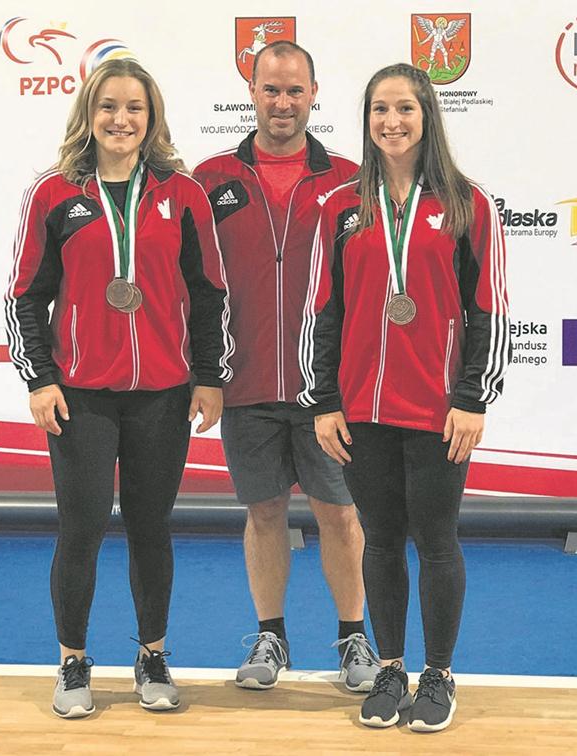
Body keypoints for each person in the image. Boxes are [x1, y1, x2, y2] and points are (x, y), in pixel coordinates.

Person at [4, 58, 234, 718]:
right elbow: (26, 295)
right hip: (80, 394)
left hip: (163, 392)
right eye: (108, 106)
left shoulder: (182, 194)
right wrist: (40, 379)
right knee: (80, 530)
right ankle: (72, 661)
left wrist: (211, 377)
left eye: (134, 107)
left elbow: (209, 293)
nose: (121, 119)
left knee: (149, 528)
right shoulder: (53, 194)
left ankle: (152, 655)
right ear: (89, 113)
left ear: (151, 117)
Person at [299, 63, 510, 732]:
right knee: (382, 540)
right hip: (360, 412)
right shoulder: (340, 207)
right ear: (366, 121)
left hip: (437, 411)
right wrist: (323, 401)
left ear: (427, 118)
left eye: (405, 109)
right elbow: (321, 312)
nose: (391, 121)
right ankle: (391, 669)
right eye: (379, 109)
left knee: (437, 540)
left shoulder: (469, 204)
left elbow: (489, 312)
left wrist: (473, 399)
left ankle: (439, 675)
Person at [192, 41, 379, 692]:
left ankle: (354, 639)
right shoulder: (209, 178)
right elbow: (193, 284)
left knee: (339, 514)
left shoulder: (353, 180)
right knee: (265, 513)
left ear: (314, 93)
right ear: (251, 90)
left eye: (294, 90)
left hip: (327, 391)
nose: (282, 102)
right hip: (243, 385)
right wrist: (204, 372)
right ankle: (271, 636)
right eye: (271, 89)